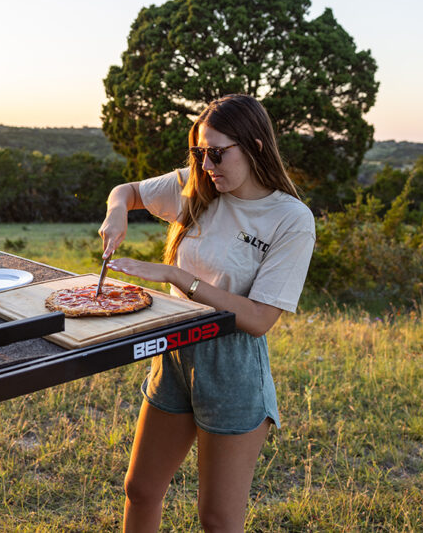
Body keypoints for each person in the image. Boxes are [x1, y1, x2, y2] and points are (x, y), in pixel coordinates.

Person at [98, 94, 315, 532]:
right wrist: (116, 212)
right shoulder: (198, 183)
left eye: (216, 153)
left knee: (217, 519)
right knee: (140, 490)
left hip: (232, 364)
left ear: (254, 146)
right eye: (199, 152)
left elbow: (258, 319)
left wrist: (178, 277)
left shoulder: (290, 218)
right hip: (175, 352)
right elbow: (127, 191)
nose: (206, 164)